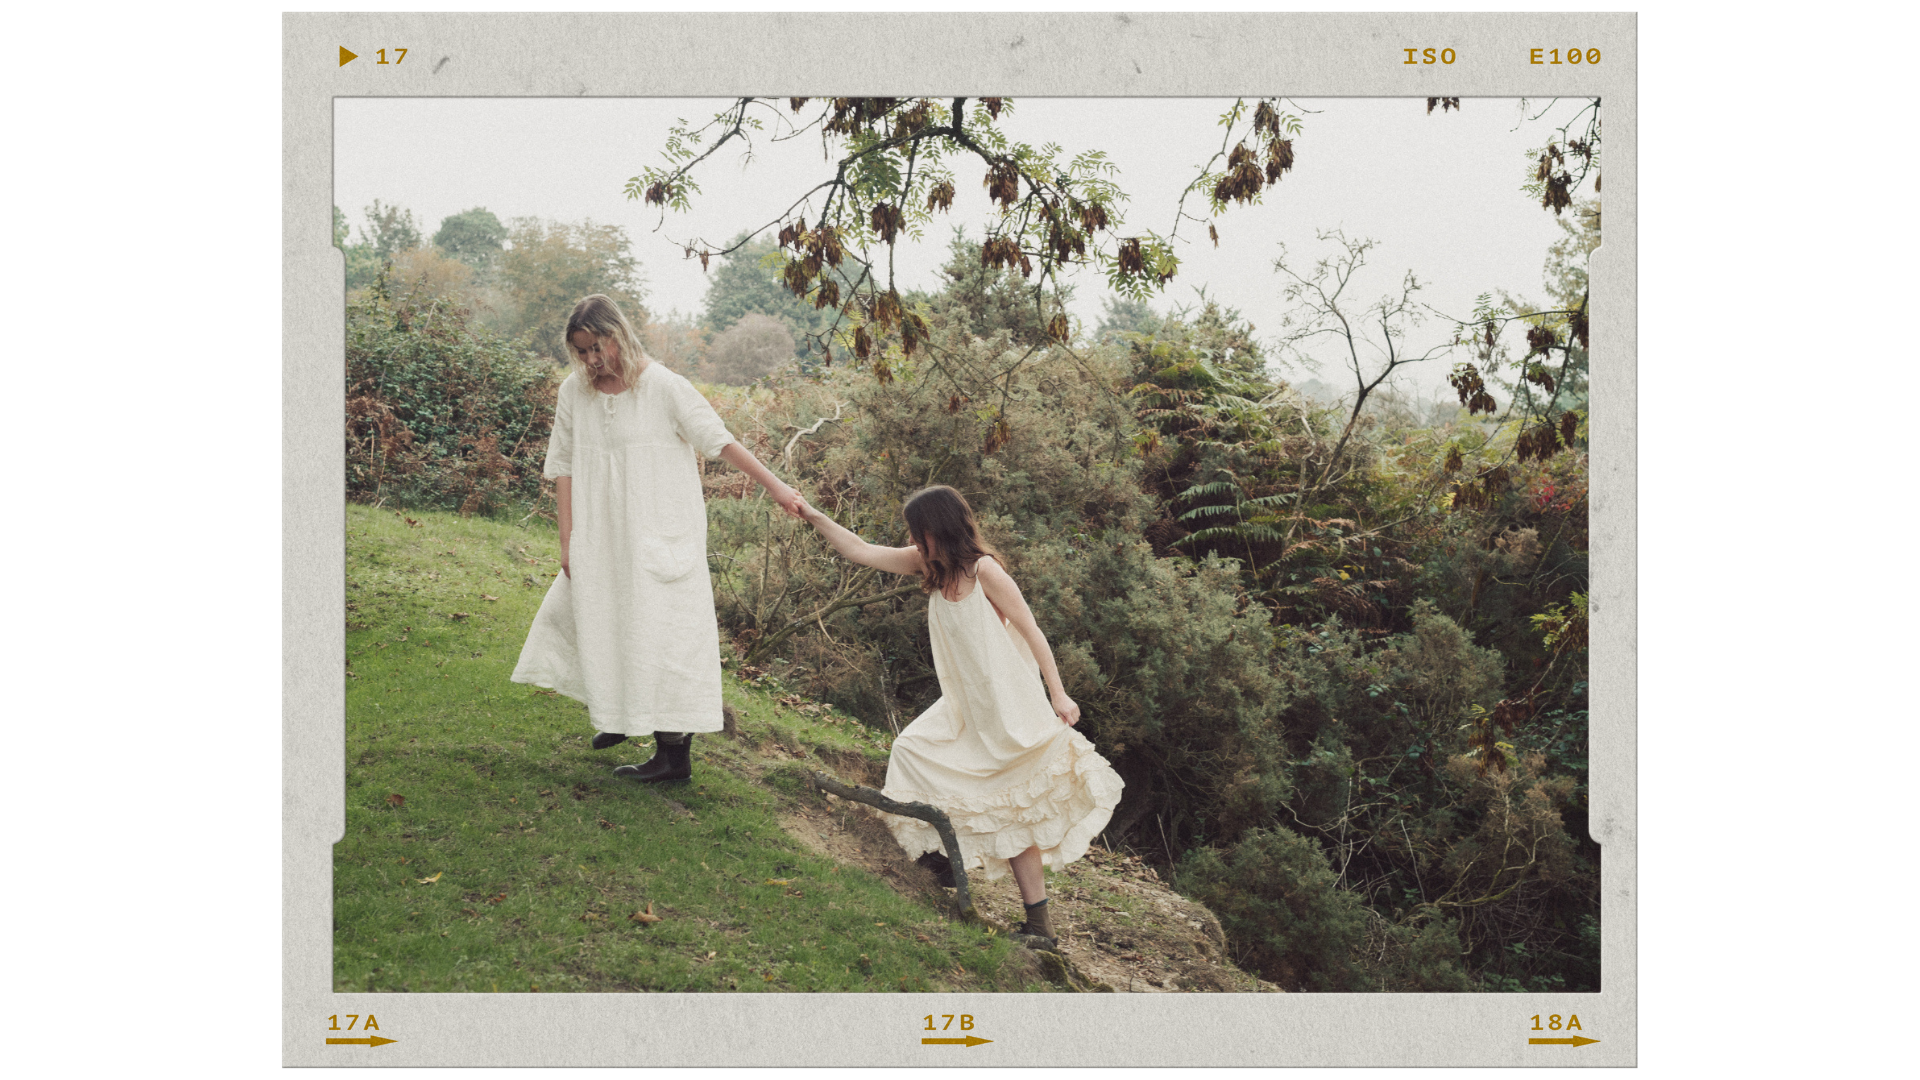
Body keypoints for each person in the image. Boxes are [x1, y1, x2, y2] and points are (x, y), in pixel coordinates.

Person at [793, 484, 1124, 943]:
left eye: (918, 532)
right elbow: (861, 550)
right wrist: (811, 514)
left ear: (939, 529)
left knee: (1014, 806)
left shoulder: (983, 571)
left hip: (1007, 707)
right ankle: (942, 857)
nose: (912, 541)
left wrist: (1059, 694)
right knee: (911, 749)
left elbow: (1032, 632)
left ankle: (1039, 926)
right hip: (964, 706)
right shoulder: (926, 565)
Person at [511, 294, 802, 782]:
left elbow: (719, 440)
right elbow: (561, 467)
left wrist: (777, 487)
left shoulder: (665, 386)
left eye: (597, 348)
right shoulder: (574, 392)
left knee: (664, 636)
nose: (590, 360)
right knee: (600, 621)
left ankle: (673, 759)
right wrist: (568, 541)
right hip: (601, 536)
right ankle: (618, 714)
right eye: (580, 352)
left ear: (618, 335)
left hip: (660, 534)